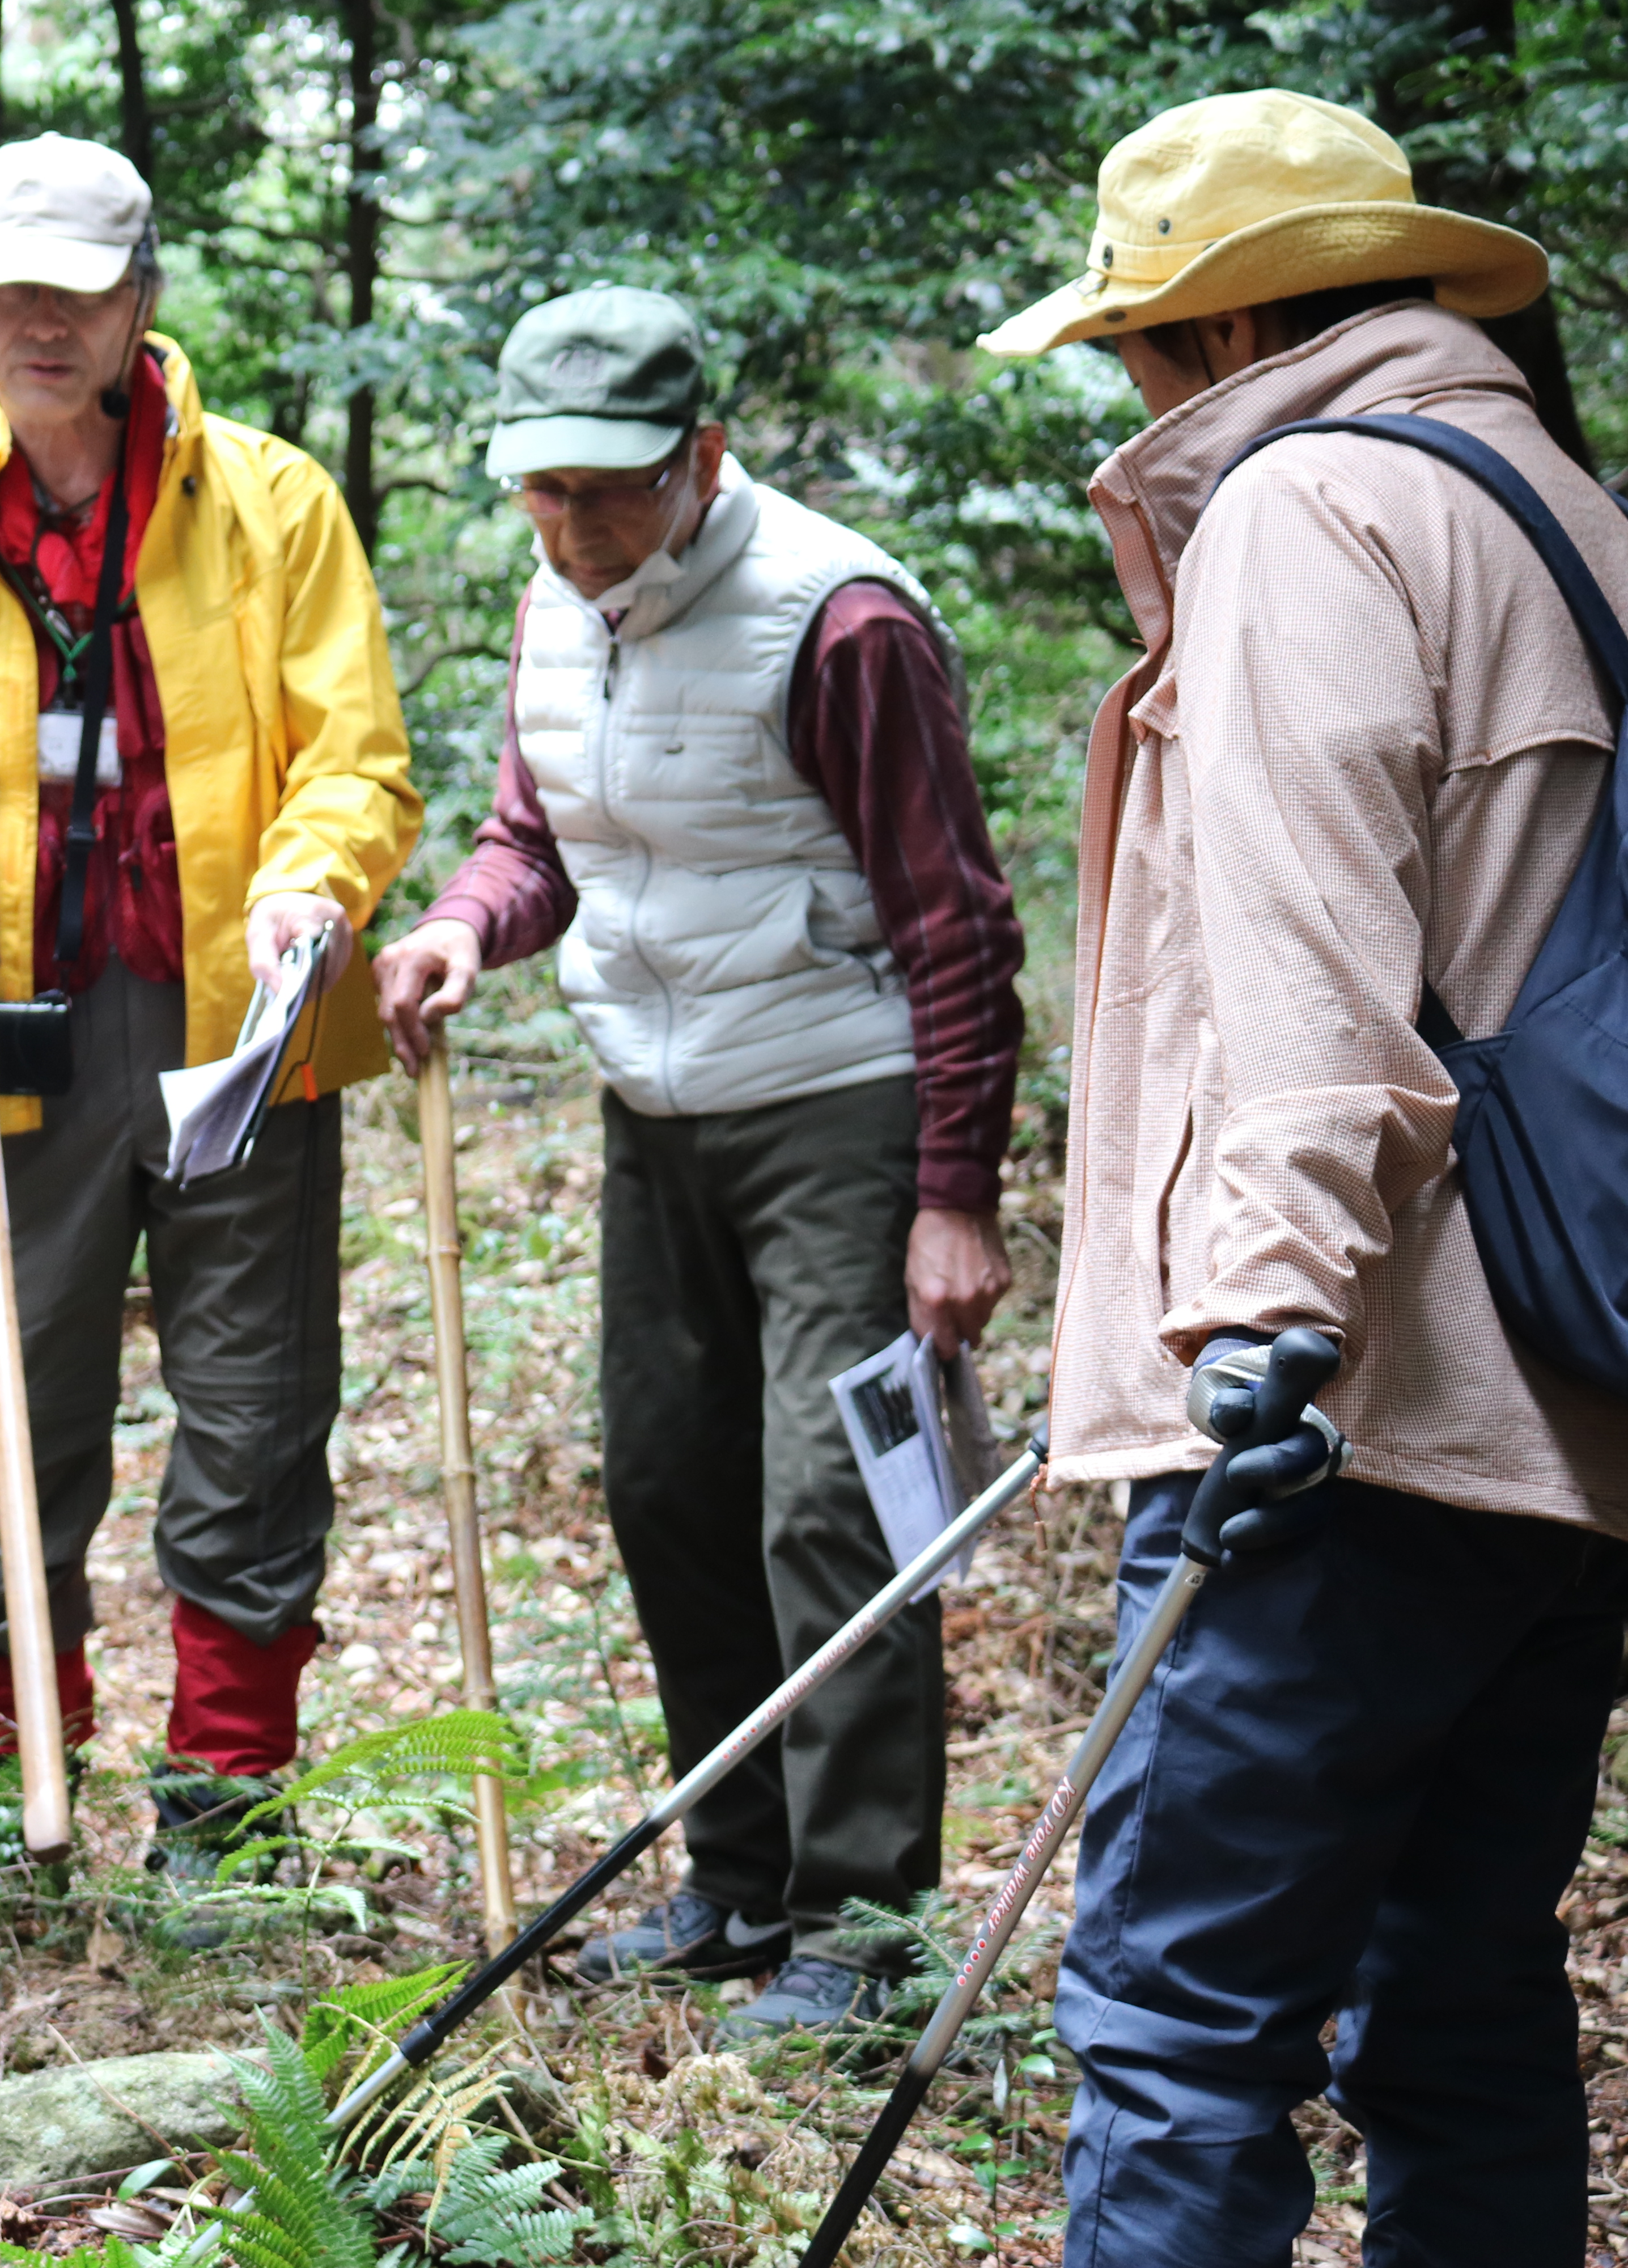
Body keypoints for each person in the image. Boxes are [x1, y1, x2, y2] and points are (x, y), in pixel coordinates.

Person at [978, 88, 1628, 2265]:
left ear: (1222, 332)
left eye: (1131, 341)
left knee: (1178, 2015)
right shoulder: (1594, 525)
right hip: (1588, 1418)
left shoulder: (1310, 513)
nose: (1124, 380)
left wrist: (1265, 1322)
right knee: (1461, 1997)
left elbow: (1305, 962)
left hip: (1350, 1410)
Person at [373, 284, 1024, 2040]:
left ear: (702, 457)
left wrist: (957, 1191)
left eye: (607, 489)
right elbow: (542, 840)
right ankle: (736, 1882)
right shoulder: (555, 603)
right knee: (668, 1486)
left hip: (838, 1108)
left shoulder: (842, 620)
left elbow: (953, 918)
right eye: (542, 493)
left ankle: (863, 1931)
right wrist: (458, 930)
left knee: (830, 1505)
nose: (574, 528)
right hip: (651, 1111)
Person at [0, 134, 420, 1889]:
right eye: (8, 292)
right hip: (21, 1026)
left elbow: (355, 759)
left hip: (241, 1021)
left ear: (141, 300)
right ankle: (5, 1781)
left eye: (74, 291)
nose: (38, 324)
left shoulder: (274, 508)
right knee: (18, 1390)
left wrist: (316, 880)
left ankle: (228, 1790)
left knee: (253, 1396)